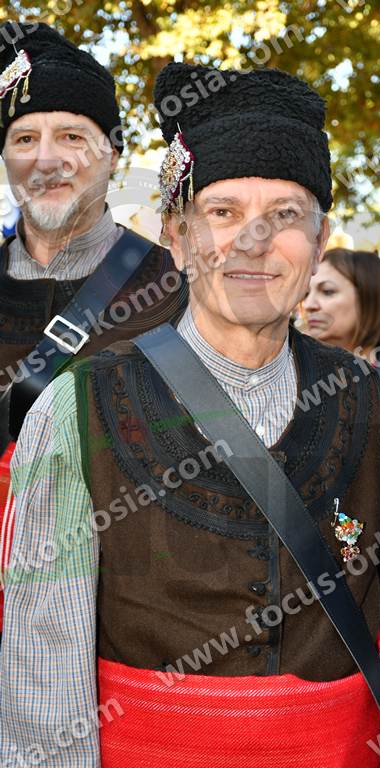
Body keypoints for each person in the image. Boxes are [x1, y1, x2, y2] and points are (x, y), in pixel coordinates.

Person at [0, 61, 380, 767]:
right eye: (223, 213)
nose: (253, 243)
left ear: (321, 240)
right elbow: (44, 670)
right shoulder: (76, 407)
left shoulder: (375, 399)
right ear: (178, 236)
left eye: (285, 216)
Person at [0, 22, 187, 631]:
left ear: (114, 154)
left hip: (128, 625)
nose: (45, 159)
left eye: (72, 137)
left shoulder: (178, 289)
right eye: (24, 137)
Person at [303, 247, 380, 398]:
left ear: (369, 298)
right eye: (306, 294)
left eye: (327, 291)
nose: (308, 305)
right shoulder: (290, 371)